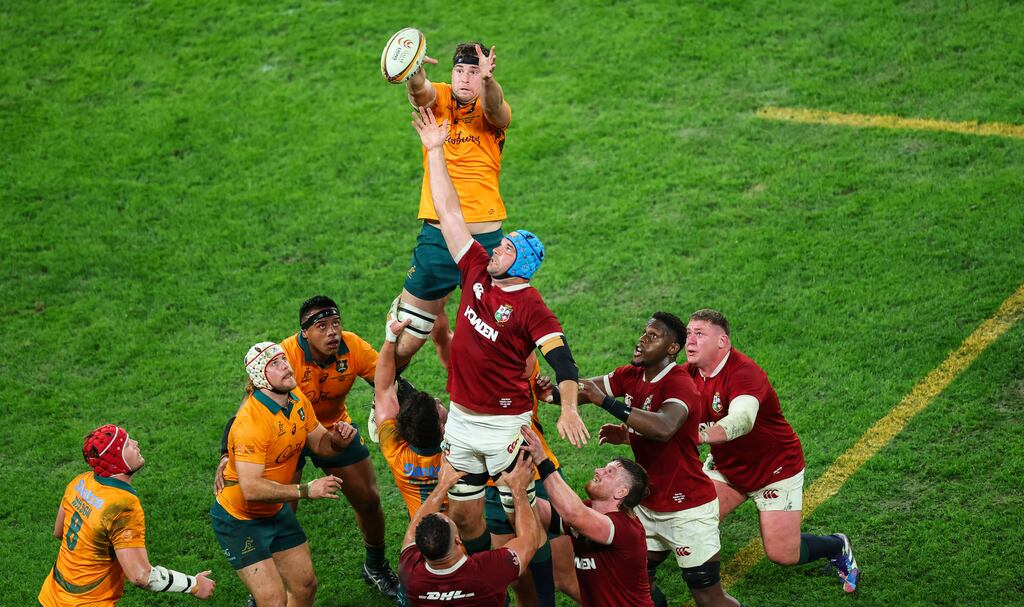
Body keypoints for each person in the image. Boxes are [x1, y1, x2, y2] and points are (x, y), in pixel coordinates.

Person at [410, 104, 588, 560]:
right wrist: (434, 152)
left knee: (520, 518)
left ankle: (530, 583)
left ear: (521, 264)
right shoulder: (475, 269)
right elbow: (450, 214)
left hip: (505, 425)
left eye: (505, 248)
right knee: (465, 515)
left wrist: (568, 409)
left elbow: (563, 361)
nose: (496, 247)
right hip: (463, 420)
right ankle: (481, 578)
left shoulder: (532, 308)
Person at [215, 296, 401, 599]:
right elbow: (244, 413)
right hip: (282, 438)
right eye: (322, 326)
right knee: (278, 512)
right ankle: (269, 585)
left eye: (336, 323)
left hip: (325, 429)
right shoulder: (282, 358)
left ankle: (376, 566)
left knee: (368, 499)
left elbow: (386, 379)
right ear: (304, 333)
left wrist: (404, 404)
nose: (332, 332)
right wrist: (226, 454)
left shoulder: (351, 347)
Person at [682, 308, 860, 592]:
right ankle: (698, 587)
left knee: (783, 554)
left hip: (774, 469)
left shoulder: (743, 372)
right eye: (688, 333)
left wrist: (701, 435)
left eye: (699, 333)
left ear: (722, 341)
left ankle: (837, 545)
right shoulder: (687, 374)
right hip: (728, 466)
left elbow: (743, 420)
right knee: (690, 518)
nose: (689, 340)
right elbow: (660, 413)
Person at [579, 312, 740, 607]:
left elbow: (665, 427)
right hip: (647, 506)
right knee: (635, 581)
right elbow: (582, 390)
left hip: (688, 509)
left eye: (653, 336)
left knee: (708, 597)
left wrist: (607, 403)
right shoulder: (630, 375)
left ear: (672, 348)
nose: (642, 340)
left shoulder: (679, 384)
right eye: (644, 333)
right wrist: (548, 391)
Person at [390, 41, 513, 372]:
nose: (465, 79)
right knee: (409, 336)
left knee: (501, 337)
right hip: (437, 239)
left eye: (474, 72)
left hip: (485, 242)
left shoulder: (492, 111)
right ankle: (386, 394)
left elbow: (495, 107)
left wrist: (488, 81)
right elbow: (421, 94)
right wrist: (413, 72)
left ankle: (515, 414)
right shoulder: (442, 97)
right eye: (460, 70)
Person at [210, 341, 359, 607]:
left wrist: (338, 441)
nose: (286, 367)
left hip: (275, 510)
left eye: (284, 360)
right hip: (239, 518)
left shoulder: (296, 398)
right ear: (259, 377)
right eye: (275, 365)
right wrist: (305, 490)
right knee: (274, 601)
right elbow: (252, 489)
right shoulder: (250, 424)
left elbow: (320, 444)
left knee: (305, 586)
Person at [38, 424, 215, 605]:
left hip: (51, 596)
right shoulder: (122, 506)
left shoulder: (80, 482)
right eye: (127, 445)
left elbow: (58, 532)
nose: (136, 443)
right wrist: (193, 585)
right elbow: (141, 576)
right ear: (117, 460)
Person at [520, 424, 653, 607]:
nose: (598, 471)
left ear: (622, 491)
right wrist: (520, 486)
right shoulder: (590, 510)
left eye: (609, 472)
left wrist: (542, 460)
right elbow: (546, 514)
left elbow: (573, 514)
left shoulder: (625, 528)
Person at [483, 359, 580, 606]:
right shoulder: (472, 364)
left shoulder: (519, 354)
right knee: (519, 580)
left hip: (537, 477)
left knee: (565, 577)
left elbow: (525, 367)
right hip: (495, 486)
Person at [399, 455, 546, 606]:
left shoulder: (410, 573)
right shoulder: (488, 571)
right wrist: (519, 489)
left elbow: (411, 534)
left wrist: (442, 486)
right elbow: (529, 540)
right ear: (458, 540)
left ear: (420, 552)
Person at [374, 318, 448, 519]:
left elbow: (383, 388)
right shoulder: (459, 457)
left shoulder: (395, 452)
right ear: (442, 429)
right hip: (461, 542)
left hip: (418, 539)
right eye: (438, 405)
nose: (439, 400)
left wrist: (390, 338)